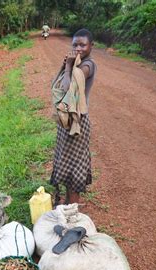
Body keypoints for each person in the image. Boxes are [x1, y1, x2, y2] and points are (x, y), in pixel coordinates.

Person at [50, 28, 97, 205]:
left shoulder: (87, 66)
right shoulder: (76, 63)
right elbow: (59, 87)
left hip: (78, 122)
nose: (78, 48)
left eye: (83, 45)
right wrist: (67, 66)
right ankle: (68, 204)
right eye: (75, 44)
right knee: (66, 162)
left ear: (91, 46)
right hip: (66, 121)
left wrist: (68, 67)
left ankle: (72, 210)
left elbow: (66, 87)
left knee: (75, 167)